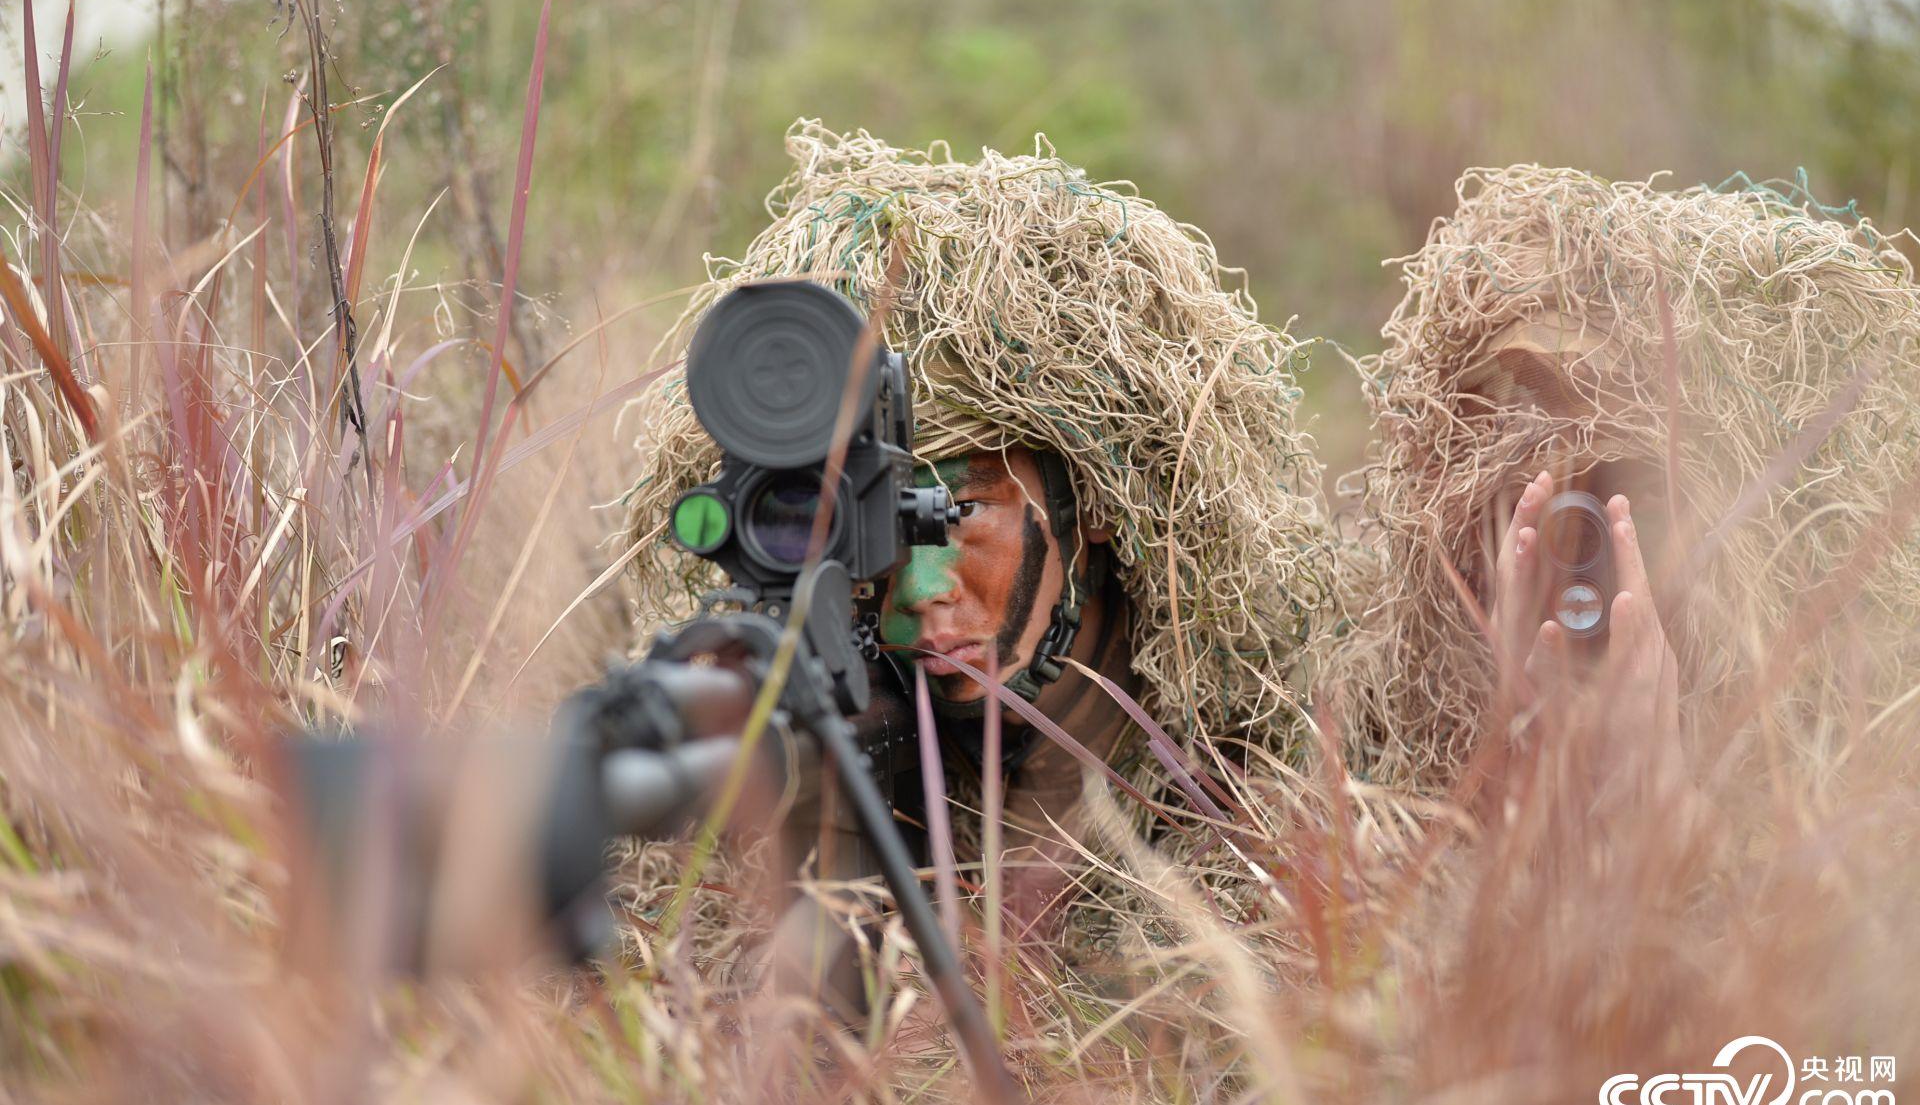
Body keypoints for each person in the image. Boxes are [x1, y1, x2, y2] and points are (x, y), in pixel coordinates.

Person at [617, 120, 1341, 958]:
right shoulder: (843, 729)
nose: (918, 587)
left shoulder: (1264, 753)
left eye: (954, 515)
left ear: (1096, 501)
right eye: (873, 525)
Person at [1334, 166, 1920, 802]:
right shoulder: (1383, 711)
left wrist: (1656, 788)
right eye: (1541, 503)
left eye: (1632, 499)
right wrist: (1504, 733)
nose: (1582, 558)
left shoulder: (1809, 751)